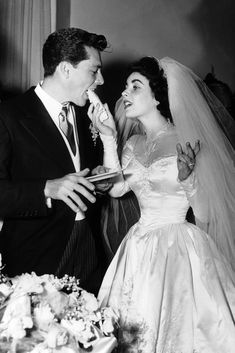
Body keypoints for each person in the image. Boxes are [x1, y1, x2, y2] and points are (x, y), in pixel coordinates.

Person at [89, 57, 235, 351]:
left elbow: (205, 212)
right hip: (139, 246)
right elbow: (117, 189)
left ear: (157, 97)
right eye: (125, 87)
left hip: (178, 249)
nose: (124, 93)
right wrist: (108, 138)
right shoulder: (133, 145)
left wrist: (188, 178)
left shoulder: (188, 139)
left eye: (135, 86)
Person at [0, 27, 111, 295]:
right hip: (35, 261)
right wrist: (47, 189)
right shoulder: (9, 115)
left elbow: (73, 172)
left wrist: (96, 179)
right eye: (94, 71)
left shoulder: (86, 116)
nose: (101, 81)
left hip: (87, 252)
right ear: (65, 69)